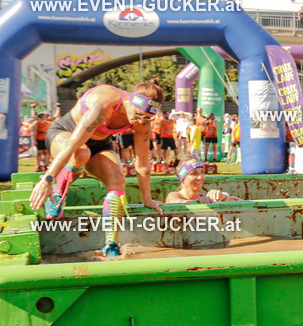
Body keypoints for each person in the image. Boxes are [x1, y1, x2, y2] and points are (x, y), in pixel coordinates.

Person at [29, 81, 164, 258]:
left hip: (99, 143)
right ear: (130, 102)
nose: (140, 121)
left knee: (118, 179)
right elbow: (72, 145)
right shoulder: (104, 105)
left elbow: (143, 164)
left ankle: (110, 244)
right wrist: (47, 179)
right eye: (138, 115)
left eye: (147, 118)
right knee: (80, 153)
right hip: (66, 135)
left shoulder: (143, 121)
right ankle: (58, 192)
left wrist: (147, 199)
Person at [166, 157, 240, 203]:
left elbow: (244, 203)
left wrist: (223, 197)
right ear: (182, 178)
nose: (200, 177)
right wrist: (197, 202)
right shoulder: (174, 195)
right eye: (194, 173)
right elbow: (177, 202)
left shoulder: (204, 197)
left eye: (202, 172)